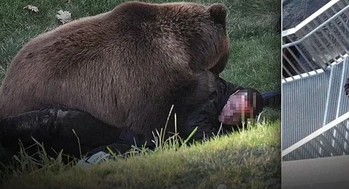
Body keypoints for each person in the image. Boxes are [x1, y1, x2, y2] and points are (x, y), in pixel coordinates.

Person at [0, 76, 275, 165]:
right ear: (234, 95)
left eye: (236, 117)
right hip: (121, 123)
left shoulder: (221, 135)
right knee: (58, 120)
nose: (229, 114)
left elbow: (195, 131)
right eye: (231, 107)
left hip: (128, 144)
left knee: (68, 148)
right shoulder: (212, 87)